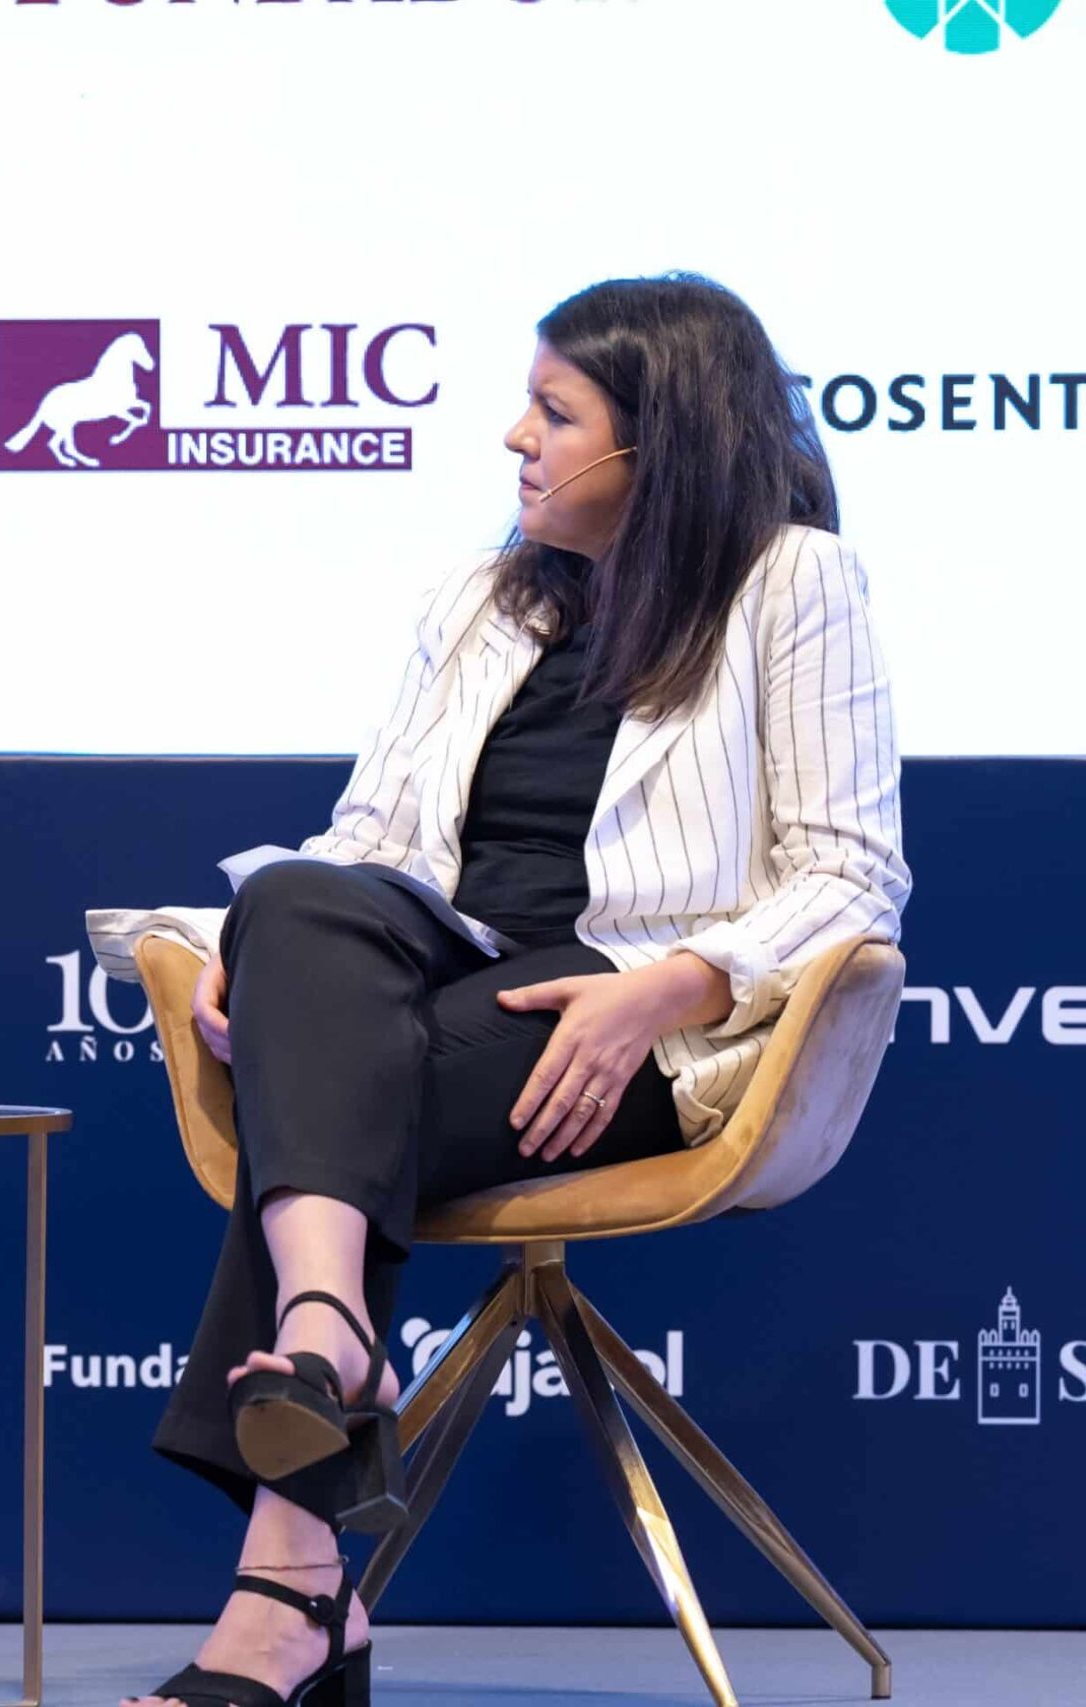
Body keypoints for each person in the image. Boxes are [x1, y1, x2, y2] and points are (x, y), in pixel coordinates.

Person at [127, 275, 909, 1707]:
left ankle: (290, 1586)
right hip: (442, 964)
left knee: (330, 1104)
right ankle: (326, 1331)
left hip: (624, 1019)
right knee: (290, 899)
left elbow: (850, 873)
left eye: (554, 413)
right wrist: (246, 942)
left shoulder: (793, 582)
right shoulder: (479, 599)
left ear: (662, 442)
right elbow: (367, 843)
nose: (514, 439)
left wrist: (666, 989)